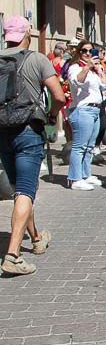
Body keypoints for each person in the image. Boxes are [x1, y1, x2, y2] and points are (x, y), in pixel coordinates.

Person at [0, 17, 65, 275]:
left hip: (3, 132)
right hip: (28, 131)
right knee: (26, 191)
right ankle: (13, 256)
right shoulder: (37, 59)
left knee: (20, 191)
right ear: (27, 34)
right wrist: (51, 115)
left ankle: (36, 239)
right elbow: (58, 96)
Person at [63, 42, 106, 190]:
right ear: (79, 52)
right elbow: (77, 82)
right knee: (79, 146)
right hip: (82, 110)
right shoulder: (75, 68)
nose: (88, 53)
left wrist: (99, 70)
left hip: (95, 109)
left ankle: (86, 174)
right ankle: (75, 178)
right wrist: (87, 67)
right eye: (84, 51)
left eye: (91, 51)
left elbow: (104, 85)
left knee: (89, 147)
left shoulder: (94, 70)